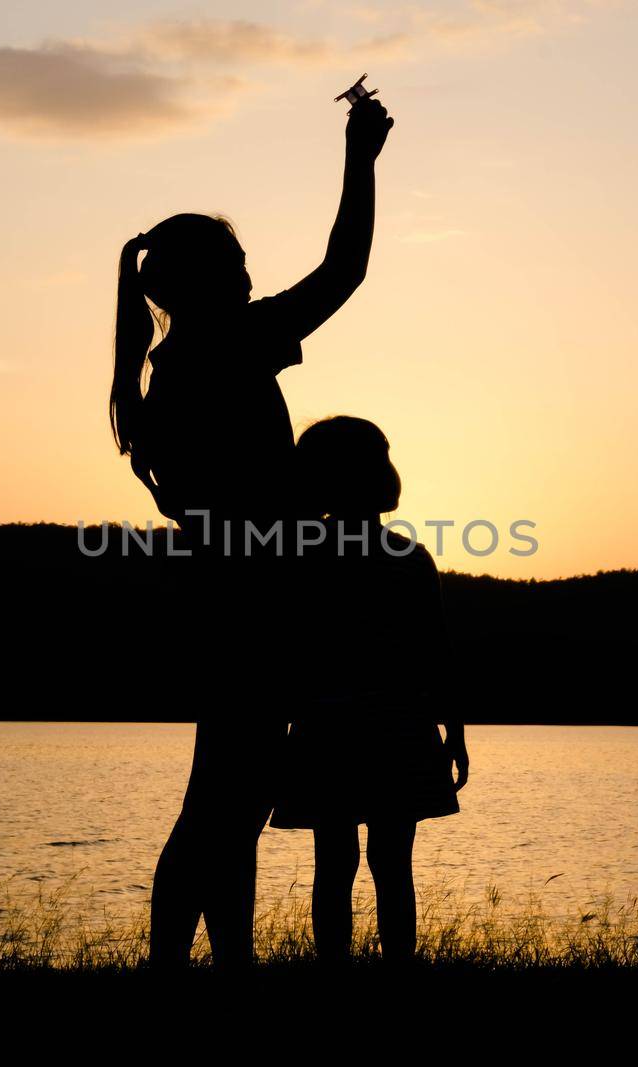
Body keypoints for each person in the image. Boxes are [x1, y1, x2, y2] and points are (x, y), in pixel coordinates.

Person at [110, 95, 396, 968]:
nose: (246, 275)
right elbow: (343, 270)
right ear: (202, 282)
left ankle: (228, 965)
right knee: (220, 809)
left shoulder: (171, 369)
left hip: (227, 602)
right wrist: (361, 156)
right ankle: (174, 968)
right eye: (235, 263)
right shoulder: (226, 346)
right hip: (255, 609)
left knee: (228, 802)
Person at [270, 416, 470, 965]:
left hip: (332, 728)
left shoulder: (301, 555)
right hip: (394, 726)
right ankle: (394, 971)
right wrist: (453, 732)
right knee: (386, 861)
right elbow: (439, 654)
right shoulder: (405, 557)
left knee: (336, 861)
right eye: (380, 457)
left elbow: (289, 653)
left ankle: (341, 971)